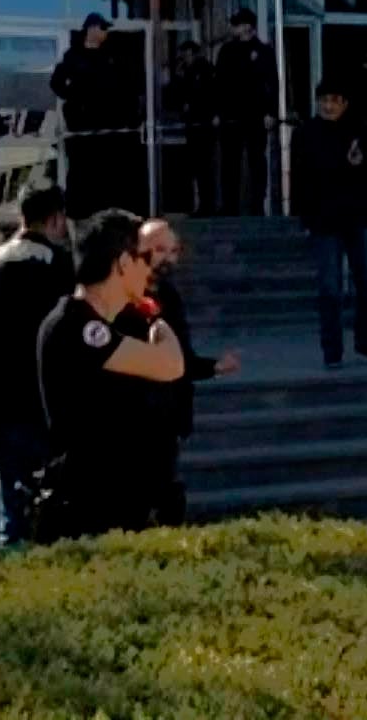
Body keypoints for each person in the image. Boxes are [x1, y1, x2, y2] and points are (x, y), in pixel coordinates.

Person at [35, 208, 184, 540]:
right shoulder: (79, 325)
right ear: (122, 263)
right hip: (91, 508)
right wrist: (157, 321)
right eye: (144, 257)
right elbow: (170, 364)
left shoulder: (99, 322)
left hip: (118, 501)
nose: (151, 270)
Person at [0, 183, 76, 549]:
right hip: (47, 403)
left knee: (11, 506)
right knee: (54, 507)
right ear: (56, 220)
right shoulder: (60, 267)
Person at [115, 219, 240, 525]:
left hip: (167, 416)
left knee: (164, 497)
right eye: (158, 250)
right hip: (131, 419)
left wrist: (213, 367)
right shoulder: (119, 296)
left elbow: (181, 357)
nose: (167, 259)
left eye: (173, 251)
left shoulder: (169, 296)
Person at [293, 79, 367, 370]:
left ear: (345, 103)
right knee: (330, 288)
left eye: (334, 100)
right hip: (324, 221)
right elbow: (301, 176)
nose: (329, 105)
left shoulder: (359, 130)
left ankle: (365, 341)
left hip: (359, 218)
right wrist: (305, 217)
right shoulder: (306, 133)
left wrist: (360, 165)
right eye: (324, 100)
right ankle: (332, 348)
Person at [50, 12, 137, 221]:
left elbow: (123, 88)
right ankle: (78, 217)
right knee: (81, 174)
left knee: (107, 174)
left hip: (108, 128)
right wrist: (76, 100)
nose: (106, 33)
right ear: (91, 29)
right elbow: (56, 83)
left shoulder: (111, 55)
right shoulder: (74, 56)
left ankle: (106, 217)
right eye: (103, 28)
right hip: (82, 128)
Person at [215, 10, 278, 216]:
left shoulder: (263, 51)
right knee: (229, 161)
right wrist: (218, 112)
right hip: (231, 114)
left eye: (237, 24)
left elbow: (272, 83)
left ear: (247, 26)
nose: (234, 28)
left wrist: (270, 111)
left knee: (256, 161)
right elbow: (220, 83)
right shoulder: (227, 50)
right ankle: (229, 205)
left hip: (255, 114)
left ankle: (257, 205)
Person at [166, 41, 217, 215]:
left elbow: (206, 94)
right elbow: (177, 95)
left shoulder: (204, 69)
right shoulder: (187, 72)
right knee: (195, 167)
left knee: (203, 168)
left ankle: (207, 205)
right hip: (193, 126)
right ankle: (199, 204)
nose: (184, 58)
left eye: (186, 54)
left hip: (203, 125)